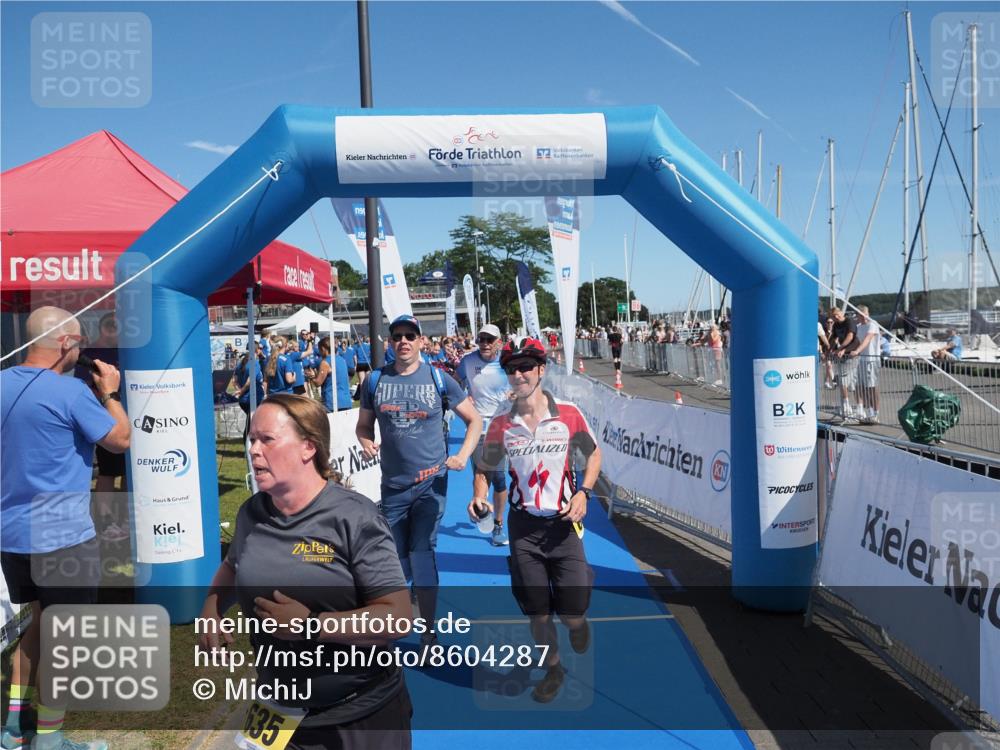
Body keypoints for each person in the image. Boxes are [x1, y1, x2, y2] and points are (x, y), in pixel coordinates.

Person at [199, 395, 413, 749]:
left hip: (359, 715)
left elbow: (398, 618)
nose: (253, 450)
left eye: (267, 439)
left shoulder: (355, 518)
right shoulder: (251, 513)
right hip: (278, 711)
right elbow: (233, 566)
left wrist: (310, 625)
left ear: (308, 448)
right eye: (251, 439)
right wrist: (211, 608)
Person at [1, 306, 130, 750]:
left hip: (13, 537)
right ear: (63, 344)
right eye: (78, 343)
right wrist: (109, 393)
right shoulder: (70, 391)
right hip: (63, 539)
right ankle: (51, 739)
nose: (81, 352)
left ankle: (14, 729)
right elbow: (121, 438)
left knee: (39, 626)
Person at [468, 337, 601, 704]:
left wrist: (583, 493)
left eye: (527, 367)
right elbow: (485, 467)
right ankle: (554, 667)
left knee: (573, 613)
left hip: (562, 526)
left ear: (541, 370)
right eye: (512, 368)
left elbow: (592, 457)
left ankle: (576, 622)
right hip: (524, 528)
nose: (520, 374)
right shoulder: (500, 424)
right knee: (538, 612)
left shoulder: (568, 414)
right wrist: (479, 496)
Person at [356, 315, 482, 646]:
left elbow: (474, 420)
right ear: (390, 342)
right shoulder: (374, 381)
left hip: (431, 484)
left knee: (422, 553)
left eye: (410, 335)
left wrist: (464, 456)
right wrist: (366, 440)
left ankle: (428, 633)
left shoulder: (440, 380)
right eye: (397, 336)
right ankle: (401, 610)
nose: (403, 341)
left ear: (421, 341)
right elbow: (363, 426)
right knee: (397, 563)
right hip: (393, 488)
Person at [455, 324, 511, 546]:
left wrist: (516, 394)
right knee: (479, 473)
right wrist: (462, 398)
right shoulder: (468, 361)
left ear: (499, 342)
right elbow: (455, 381)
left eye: (490, 340)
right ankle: (481, 506)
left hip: (501, 427)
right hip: (477, 426)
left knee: (497, 477)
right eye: (482, 339)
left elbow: (525, 385)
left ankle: (497, 525)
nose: (485, 344)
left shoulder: (507, 363)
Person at [74, 312, 128, 542]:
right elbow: (84, 387)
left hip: (128, 420)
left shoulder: (125, 351)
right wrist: (108, 394)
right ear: (106, 329)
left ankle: (125, 519)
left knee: (128, 471)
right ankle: (105, 521)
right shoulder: (91, 356)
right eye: (116, 328)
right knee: (108, 472)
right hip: (104, 420)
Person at [848, 305, 881, 425]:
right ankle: (869, 412)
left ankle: (876, 414)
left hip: (872, 360)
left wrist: (857, 351)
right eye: (859, 315)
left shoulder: (873, 324)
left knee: (872, 387)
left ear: (867, 314)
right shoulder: (858, 327)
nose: (861, 317)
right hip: (861, 361)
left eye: (862, 314)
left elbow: (867, 340)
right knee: (862, 387)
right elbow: (856, 342)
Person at [231, 342, 267, 441]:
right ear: (256, 350)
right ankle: (248, 447)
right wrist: (241, 391)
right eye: (260, 348)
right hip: (253, 398)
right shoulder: (254, 363)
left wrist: (239, 390)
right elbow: (250, 381)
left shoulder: (241, 362)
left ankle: (249, 446)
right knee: (252, 425)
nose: (261, 349)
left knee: (251, 423)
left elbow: (234, 380)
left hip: (244, 400)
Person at [828, 307, 859, 421]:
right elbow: (833, 338)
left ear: (841, 312)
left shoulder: (849, 321)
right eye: (833, 316)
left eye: (837, 314)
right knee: (842, 381)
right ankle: (846, 406)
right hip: (843, 354)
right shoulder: (836, 324)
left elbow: (850, 337)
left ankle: (858, 407)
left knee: (851, 382)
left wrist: (841, 348)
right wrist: (829, 350)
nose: (836, 317)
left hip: (852, 351)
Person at [312, 336, 354, 412]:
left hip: (332, 402)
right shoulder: (341, 359)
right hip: (346, 400)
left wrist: (312, 376)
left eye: (319, 349)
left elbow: (318, 382)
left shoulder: (325, 362)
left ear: (323, 349)